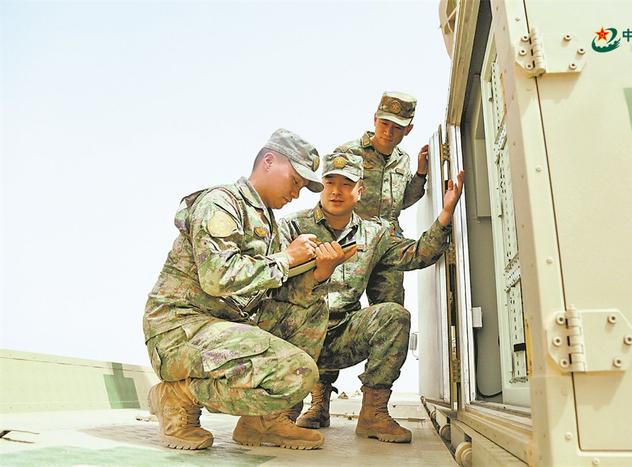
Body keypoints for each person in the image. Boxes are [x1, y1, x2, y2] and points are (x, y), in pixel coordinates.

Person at [143, 129, 355, 451]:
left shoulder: (267, 223)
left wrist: (319, 272)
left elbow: (275, 292)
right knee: (298, 372)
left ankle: (263, 423)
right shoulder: (221, 202)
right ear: (269, 161)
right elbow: (217, 277)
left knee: (311, 307)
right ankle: (176, 396)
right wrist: (285, 259)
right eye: (295, 181)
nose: (297, 193)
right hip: (179, 330)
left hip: (223, 325)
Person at [279, 152, 464, 443]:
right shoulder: (291, 226)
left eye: (346, 184)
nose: (336, 191)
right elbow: (270, 283)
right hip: (296, 334)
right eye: (330, 182)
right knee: (279, 318)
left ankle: (373, 414)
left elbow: (418, 254)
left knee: (393, 315)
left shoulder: (374, 235)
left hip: (340, 336)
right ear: (321, 185)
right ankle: (284, 413)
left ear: (360, 191)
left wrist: (445, 214)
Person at [333, 91, 430, 306]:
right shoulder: (348, 153)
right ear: (375, 119)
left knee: (390, 310)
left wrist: (421, 174)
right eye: (384, 123)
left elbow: (402, 201)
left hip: (388, 244)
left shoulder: (402, 159)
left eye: (397, 128)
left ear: (408, 130)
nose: (388, 132)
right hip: (352, 243)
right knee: (341, 308)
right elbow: (332, 199)